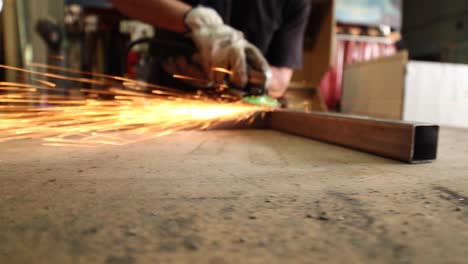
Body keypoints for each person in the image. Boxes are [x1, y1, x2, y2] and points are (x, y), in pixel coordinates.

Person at [111, 0, 311, 98]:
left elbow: (281, 81)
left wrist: (253, 75)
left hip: (246, 121)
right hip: (170, 104)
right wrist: (199, 22)